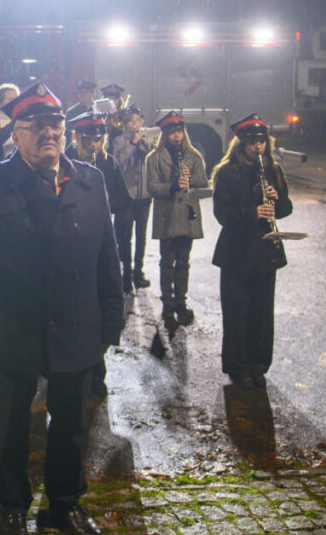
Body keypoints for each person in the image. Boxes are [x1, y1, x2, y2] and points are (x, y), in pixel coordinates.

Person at [0, 82, 123, 535]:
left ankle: (65, 504)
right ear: (15, 134)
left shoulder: (91, 180)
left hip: (76, 324)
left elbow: (107, 254)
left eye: (56, 124)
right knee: (11, 425)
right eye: (37, 125)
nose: (50, 132)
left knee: (70, 425)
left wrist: (112, 319)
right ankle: (12, 506)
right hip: (17, 325)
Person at [211, 114, 294, 390]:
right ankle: (237, 366)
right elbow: (222, 213)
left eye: (262, 142)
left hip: (265, 251)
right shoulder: (227, 172)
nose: (258, 147)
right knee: (237, 312)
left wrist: (277, 200)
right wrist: (252, 212)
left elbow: (285, 209)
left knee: (262, 312)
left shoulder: (273, 170)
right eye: (253, 143)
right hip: (236, 252)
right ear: (242, 144)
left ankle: (259, 365)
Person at [64, 111, 131, 398]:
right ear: (77, 137)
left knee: (99, 305)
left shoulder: (107, 162)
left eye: (98, 139)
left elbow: (123, 200)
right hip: (70, 242)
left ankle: (96, 372)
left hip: (99, 238)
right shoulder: (64, 160)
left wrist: (105, 202)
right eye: (89, 139)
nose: (94, 144)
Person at [146, 110, 209, 326]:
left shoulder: (194, 156)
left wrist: (190, 180)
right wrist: (173, 186)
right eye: (172, 132)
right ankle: (167, 305)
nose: (176, 136)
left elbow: (204, 183)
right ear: (165, 134)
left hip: (187, 217)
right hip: (167, 217)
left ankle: (181, 303)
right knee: (167, 262)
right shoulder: (154, 158)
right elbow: (152, 187)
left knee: (183, 262)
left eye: (179, 131)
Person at [110, 104, 153, 293]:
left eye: (137, 120)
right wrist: (133, 144)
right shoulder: (118, 141)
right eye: (131, 121)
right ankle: (126, 274)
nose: (135, 124)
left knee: (141, 237)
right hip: (126, 197)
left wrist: (145, 145)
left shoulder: (146, 139)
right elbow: (118, 163)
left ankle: (138, 272)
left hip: (144, 197)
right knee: (125, 238)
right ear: (125, 124)